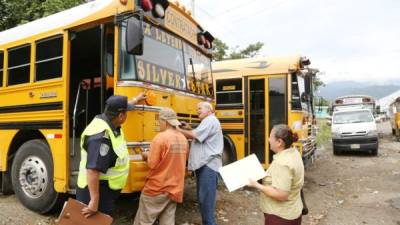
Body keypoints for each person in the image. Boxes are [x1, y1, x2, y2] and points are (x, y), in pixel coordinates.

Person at [76, 93, 146, 218]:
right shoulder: (101, 136)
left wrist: (136, 99)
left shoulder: (110, 121)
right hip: (96, 191)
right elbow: (92, 170)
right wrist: (94, 201)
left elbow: (126, 105)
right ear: (120, 116)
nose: (127, 115)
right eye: (126, 112)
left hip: (106, 189)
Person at [133, 108, 189, 225]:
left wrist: (145, 155)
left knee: (144, 221)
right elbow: (181, 159)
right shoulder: (183, 139)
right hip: (174, 188)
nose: (159, 124)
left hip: (157, 188)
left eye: (159, 121)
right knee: (167, 221)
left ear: (165, 121)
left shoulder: (160, 138)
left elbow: (152, 164)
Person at [248, 124, 304, 225]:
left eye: (270, 137)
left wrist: (256, 185)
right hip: (292, 212)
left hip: (280, 218)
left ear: (279, 142)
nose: (268, 140)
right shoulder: (294, 152)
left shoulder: (282, 163)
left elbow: (282, 195)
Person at [177, 102, 223, 225]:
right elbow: (197, 133)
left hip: (208, 167)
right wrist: (188, 128)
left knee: (206, 202)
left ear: (209, 110)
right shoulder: (207, 121)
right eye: (196, 108)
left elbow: (195, 135)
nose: (197, 111)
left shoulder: (210, 120)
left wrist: (177, 129)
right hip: (205, 166)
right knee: (204, 201)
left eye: (200, 108)